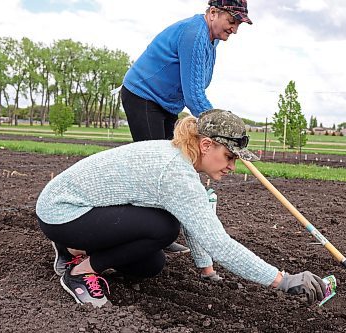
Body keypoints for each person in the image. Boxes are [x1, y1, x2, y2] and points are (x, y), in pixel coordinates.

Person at [36, 109, 327, 307]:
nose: (232, 166)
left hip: (80, 210)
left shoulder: (181, 159)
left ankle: (71, 250)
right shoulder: (176, 173)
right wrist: (282, 280)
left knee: (151, 265)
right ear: (206, 145)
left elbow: (195, 221)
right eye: (228, 156)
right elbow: (218, 242)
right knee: (163, 228)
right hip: (63, 212)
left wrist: (206, 269)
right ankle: (80, 272)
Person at [121, 1, 252, 253]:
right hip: (142, 96)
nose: (234, 29)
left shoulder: (211, 41)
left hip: (167, 104)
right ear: (213, 13)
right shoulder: (193, 34)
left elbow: (197, 88)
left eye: (238, 24)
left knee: (174, 164)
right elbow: (193, 97)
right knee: (154, 167)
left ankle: (159, 234)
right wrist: (223, 132)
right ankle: (138, 233)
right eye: (232, 21)